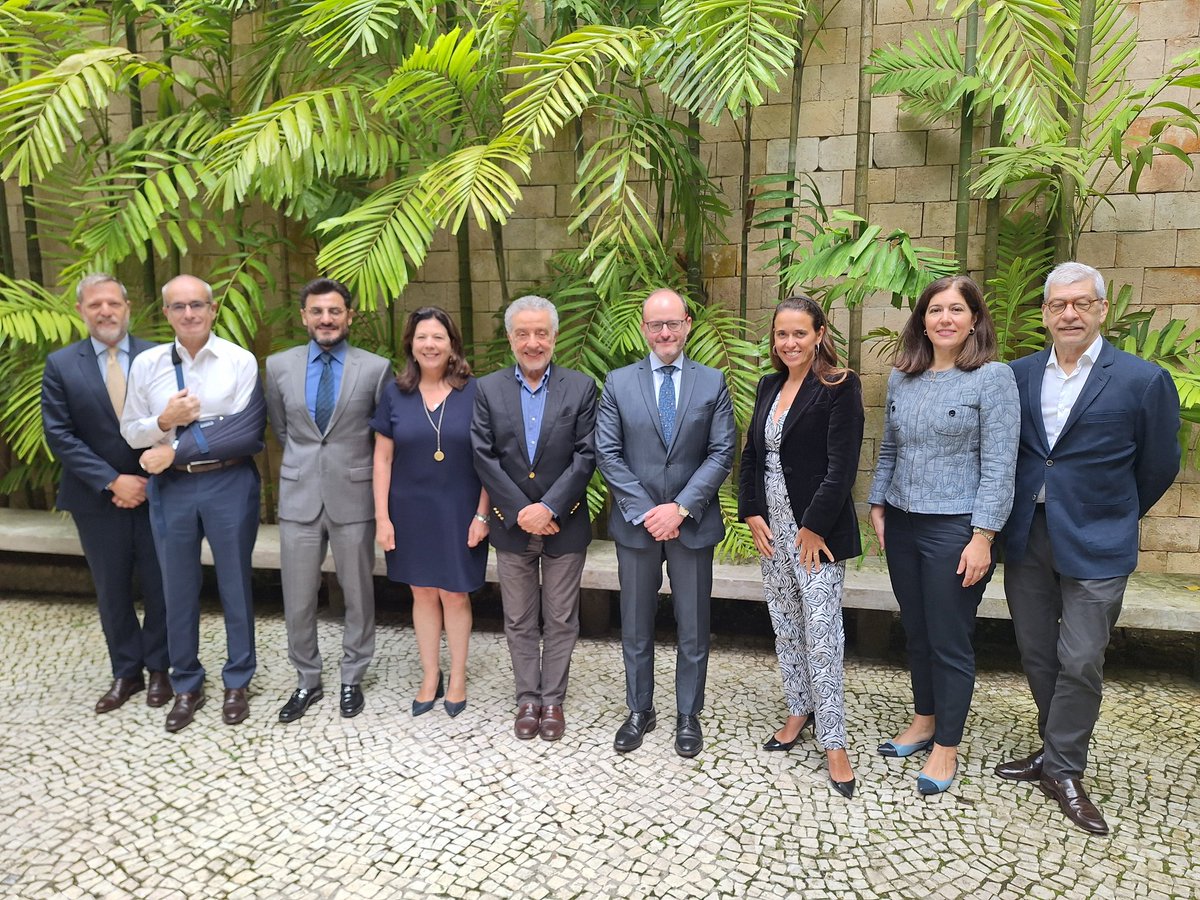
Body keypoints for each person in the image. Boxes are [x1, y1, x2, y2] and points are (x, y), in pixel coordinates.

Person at [996, 262, 1180, 835]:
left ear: (1102, 309)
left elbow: (1157, 466)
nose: (1068, 313)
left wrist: (1114, 513)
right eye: (1057, 305)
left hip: (1099, 538)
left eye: (1080, 303)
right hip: (1028, 533)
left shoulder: (1142, 381)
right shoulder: (1019, 374)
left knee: (1080, 657)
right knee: (1036, 651)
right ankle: (1056, 753)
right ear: (1046, 313)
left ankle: (1065, 769)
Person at [868, 274, 1019, 794]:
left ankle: (946, 746)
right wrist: (878, 503)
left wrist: (983, 536)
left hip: (956, 528)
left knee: (950, 638)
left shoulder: (992, 379)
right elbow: (889, 448)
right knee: (917, 630)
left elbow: (1000, 466)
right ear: (922, 320)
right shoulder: (902, 377)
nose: (946, 319)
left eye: (957, 310)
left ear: (974, 319)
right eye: (936, 310)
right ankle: (924, 719)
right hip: (904, 523)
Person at [121, 275, 265, 733]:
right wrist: (166, 419)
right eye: (178, 306)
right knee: (176, 588)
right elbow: (131, 430)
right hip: (173, 489)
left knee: (235, 585)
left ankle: (237, 680)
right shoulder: (146, 365)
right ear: (165, 313)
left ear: (212, 308)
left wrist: (175, 446)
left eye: (197, 305)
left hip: (229, 483)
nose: (189, 314)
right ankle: (187, 685)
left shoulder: (239, 360)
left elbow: (245, 431)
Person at [596, 288, 735, 758]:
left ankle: (687, 714)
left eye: (672, 323)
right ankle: (640, 709)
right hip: (637, 526)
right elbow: (608, 454)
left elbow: (721, 452)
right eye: (655, 324)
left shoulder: (712, 382)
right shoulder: (617, 382)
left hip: (691, 524)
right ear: (643, 328)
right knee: (635, 623)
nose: (665, 332)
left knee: (693, 624)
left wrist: (680, 508)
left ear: (688, 324)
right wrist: (648, 511)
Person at [737, 295, 864, 798]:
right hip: (772, 533)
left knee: (823, 633)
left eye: (798, 333)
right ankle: (798, 710)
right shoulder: (769, 385)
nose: (788, 343)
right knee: (786, 627)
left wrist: (813, 527)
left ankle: (834, 740)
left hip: (818, 535)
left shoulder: (839, 385)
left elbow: (842, 467)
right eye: (780, 334)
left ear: (818, 334)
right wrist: (751, 513)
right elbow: (752, 457)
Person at [40, 274, 170, 715]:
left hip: (158, 491)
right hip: (96, 498)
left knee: (161, 585)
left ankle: (160, 669)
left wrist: (150, 476)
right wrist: (114, 480)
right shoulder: (61, 364)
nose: (105, 311)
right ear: (81, 311)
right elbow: (60, 435)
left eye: (113, 303)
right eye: (95, 305)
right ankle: (127, 672)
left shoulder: (159, 355)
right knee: (112, 589)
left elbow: (176, 419)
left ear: (127, 306)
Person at [471, 295, 597, 742]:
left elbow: (586, 456)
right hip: (510, 525)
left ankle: (553, 700)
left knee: (561, 617)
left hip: (565, 522)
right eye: (523, 333)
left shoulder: (580, 388)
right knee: (519, 618)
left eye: (541, 332)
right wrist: (521, 510)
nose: (532, 342)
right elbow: (484, 456)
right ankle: (527, 697)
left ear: (555, 336)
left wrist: (548, 507)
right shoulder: (487, 390)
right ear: (510, 338)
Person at [265, 278, 391, 723]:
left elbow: (381, 437)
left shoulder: (375, 368)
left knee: (358, 592)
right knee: (297, 596)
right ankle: (306, 679)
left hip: (353, 495)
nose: (326, 319)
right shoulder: (278, 366)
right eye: (317, 311)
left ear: (349, 316)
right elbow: (282, 429)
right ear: (304, 316)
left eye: (334, 311)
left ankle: (352, 677)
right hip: (299, 496)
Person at [371, 307, 489, 718]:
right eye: (422, 337)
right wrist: (383, 519)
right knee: (421, 591)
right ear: (411, 344)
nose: (430, 344)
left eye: (438, 336)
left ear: (452, 343)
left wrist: (482, 515)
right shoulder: (395, 393)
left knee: (455, 594)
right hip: (409, 509)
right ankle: (429, 674)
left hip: (460, 508)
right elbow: (382, 459)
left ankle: (457, 676)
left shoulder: (475, 392)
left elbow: (489, 460)